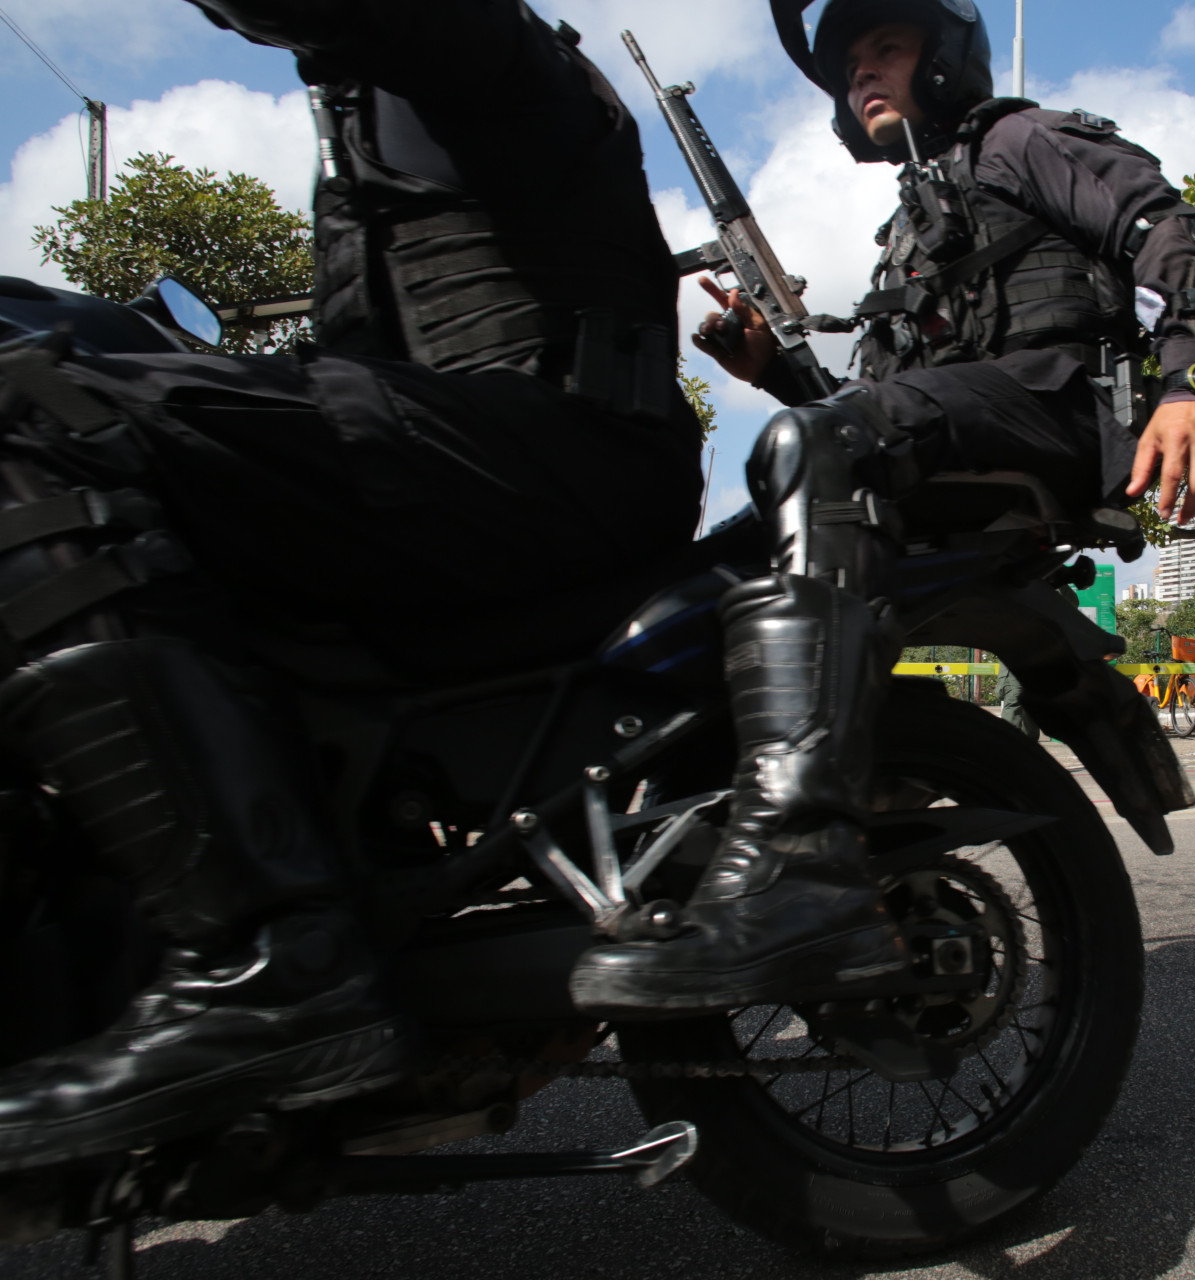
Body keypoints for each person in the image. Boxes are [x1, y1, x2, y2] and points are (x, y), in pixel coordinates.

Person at [0, 0, 702, 1171]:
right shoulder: (374, 111)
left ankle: (268, 960)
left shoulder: (488, 39)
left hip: (556, 452)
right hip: (466, 453)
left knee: (33, 399)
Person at [566, 0, 1195, 1016]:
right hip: (963, 438)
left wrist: (1192, 381)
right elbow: (873, 428)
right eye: (847, 69)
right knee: (689, 586)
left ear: (942, 58)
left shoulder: (1019, 140)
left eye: (882, 48)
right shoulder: (907, 232)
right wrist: (774, 372)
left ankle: (800, 847)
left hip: (1052, 415)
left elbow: (1181, 233)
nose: (861, 76)